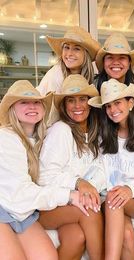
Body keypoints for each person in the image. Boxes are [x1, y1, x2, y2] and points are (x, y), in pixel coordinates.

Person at [0, 80, 85, 260]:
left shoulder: (42, 137)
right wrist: (68, 195)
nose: (32, 106)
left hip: (23, 211)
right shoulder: (6, 138)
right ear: (12, 109)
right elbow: (19, 193)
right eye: (24, 102)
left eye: (36, 102)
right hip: (5, 205)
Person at [88, 78, 134, 260]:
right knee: (127, 234)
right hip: (111, 197)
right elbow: (98, 170)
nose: (113, 110)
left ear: (130, 103)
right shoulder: (103, 137)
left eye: (117, 103)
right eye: (108, 106)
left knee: (114, 200)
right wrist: (91, 188)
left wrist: (129, 189)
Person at [38, 74, 105, 260]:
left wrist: (89, 189)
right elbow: (44, 177)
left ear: (90, 102)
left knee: (76, 238)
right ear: (63, 105)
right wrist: (79, 183)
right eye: (71, 100)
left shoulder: (94, 132)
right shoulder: (61, 131)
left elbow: (101, 168)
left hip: (71, 203)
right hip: (49, 204)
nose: (78, 106)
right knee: (91, 210)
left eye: (82, 99)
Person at [37, 26, 100, 95]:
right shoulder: (56, 75)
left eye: (76, 49)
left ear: (86, 54)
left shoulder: (90, 76)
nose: (69, 54)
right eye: (66, 47)